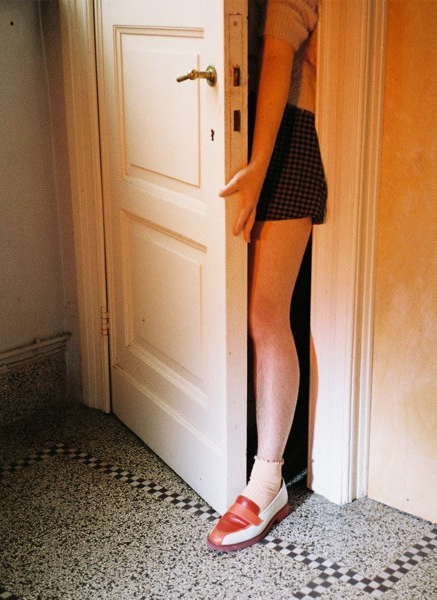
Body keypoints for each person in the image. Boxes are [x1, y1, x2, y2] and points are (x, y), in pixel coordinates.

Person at [207, 0, 327, 552]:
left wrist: (257, 169)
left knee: (265, 313)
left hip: (285, 132)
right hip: (244, 116)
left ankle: (268, 480)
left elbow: (279, 50)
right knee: (248, 307)